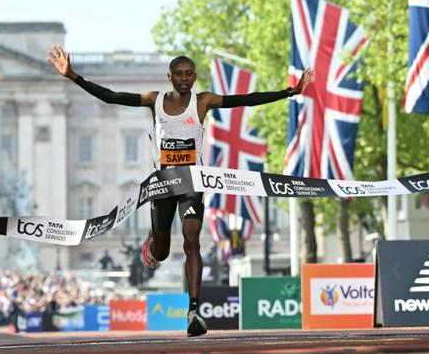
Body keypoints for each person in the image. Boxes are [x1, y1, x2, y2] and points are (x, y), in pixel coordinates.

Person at [47, 45, 314, 337]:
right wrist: (74, 77)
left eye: (189, 74)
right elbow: (112, 96)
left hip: (192, 183)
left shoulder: (204, 101)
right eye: (179, 74)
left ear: (194, 77)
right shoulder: (154, 101)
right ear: (170, 77)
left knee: (192, 240)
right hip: (163, 183)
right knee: (162, 253)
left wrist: (290, 92)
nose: (184, 79)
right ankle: (153, 244)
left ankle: (194, 310)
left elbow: (246, 99)